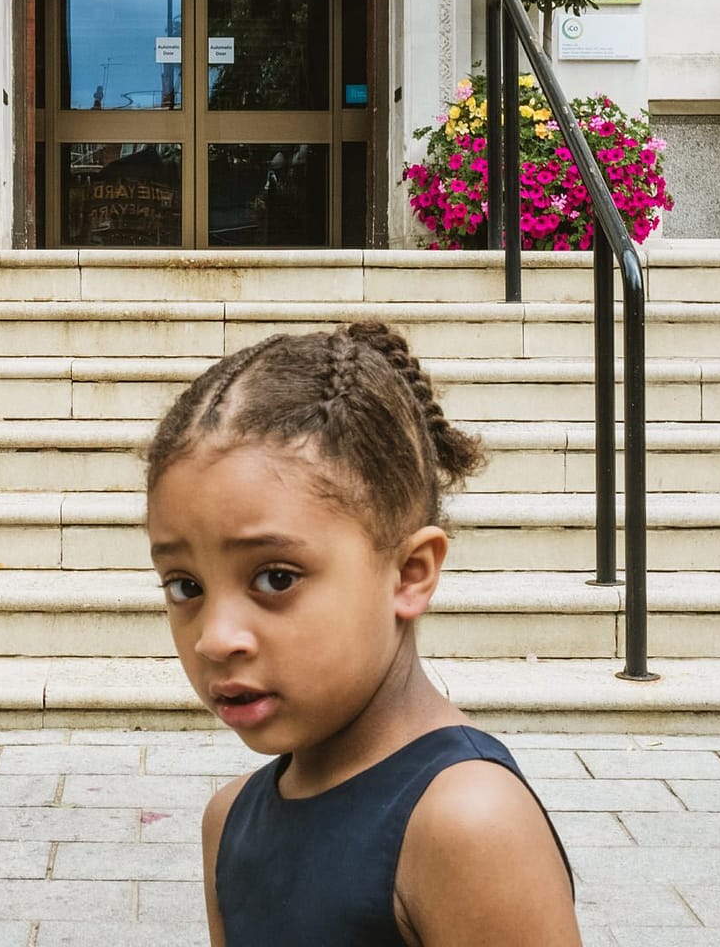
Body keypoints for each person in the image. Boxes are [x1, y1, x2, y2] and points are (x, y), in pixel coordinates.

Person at [146, 321, 579, 946]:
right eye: (186, 586)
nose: (216, 638)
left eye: (275, 577)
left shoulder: (466, 822)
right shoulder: (229, 819)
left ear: (409, 573)